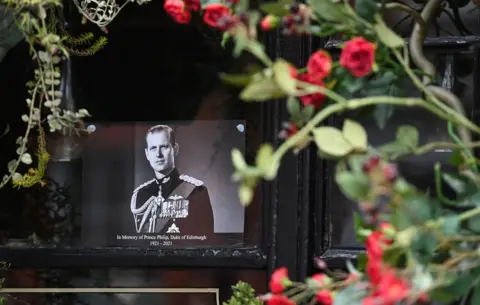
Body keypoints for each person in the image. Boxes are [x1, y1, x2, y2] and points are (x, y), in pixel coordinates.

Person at [130, 124, 215, 245]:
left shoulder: (195, 191)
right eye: (153, 148)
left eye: (164, 147)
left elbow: (205, 242)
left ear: (175, 149)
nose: (158, 154)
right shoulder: (139, 195)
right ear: (147, 154)